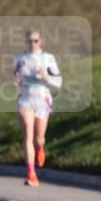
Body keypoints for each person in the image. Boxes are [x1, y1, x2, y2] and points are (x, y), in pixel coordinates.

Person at [13, 29, 63, 187]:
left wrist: (46, 76)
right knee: (28, 132)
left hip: (42, 99)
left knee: (38, 139)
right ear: (26, 42)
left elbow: (59, 81)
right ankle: (31, 173)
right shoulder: (20, 58)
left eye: (35, 41)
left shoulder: (47, 58)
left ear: (40, 41)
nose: (32, 44)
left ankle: (40, 148)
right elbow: (15, 77)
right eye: (29, 41)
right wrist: (15, 80)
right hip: (25, 99)